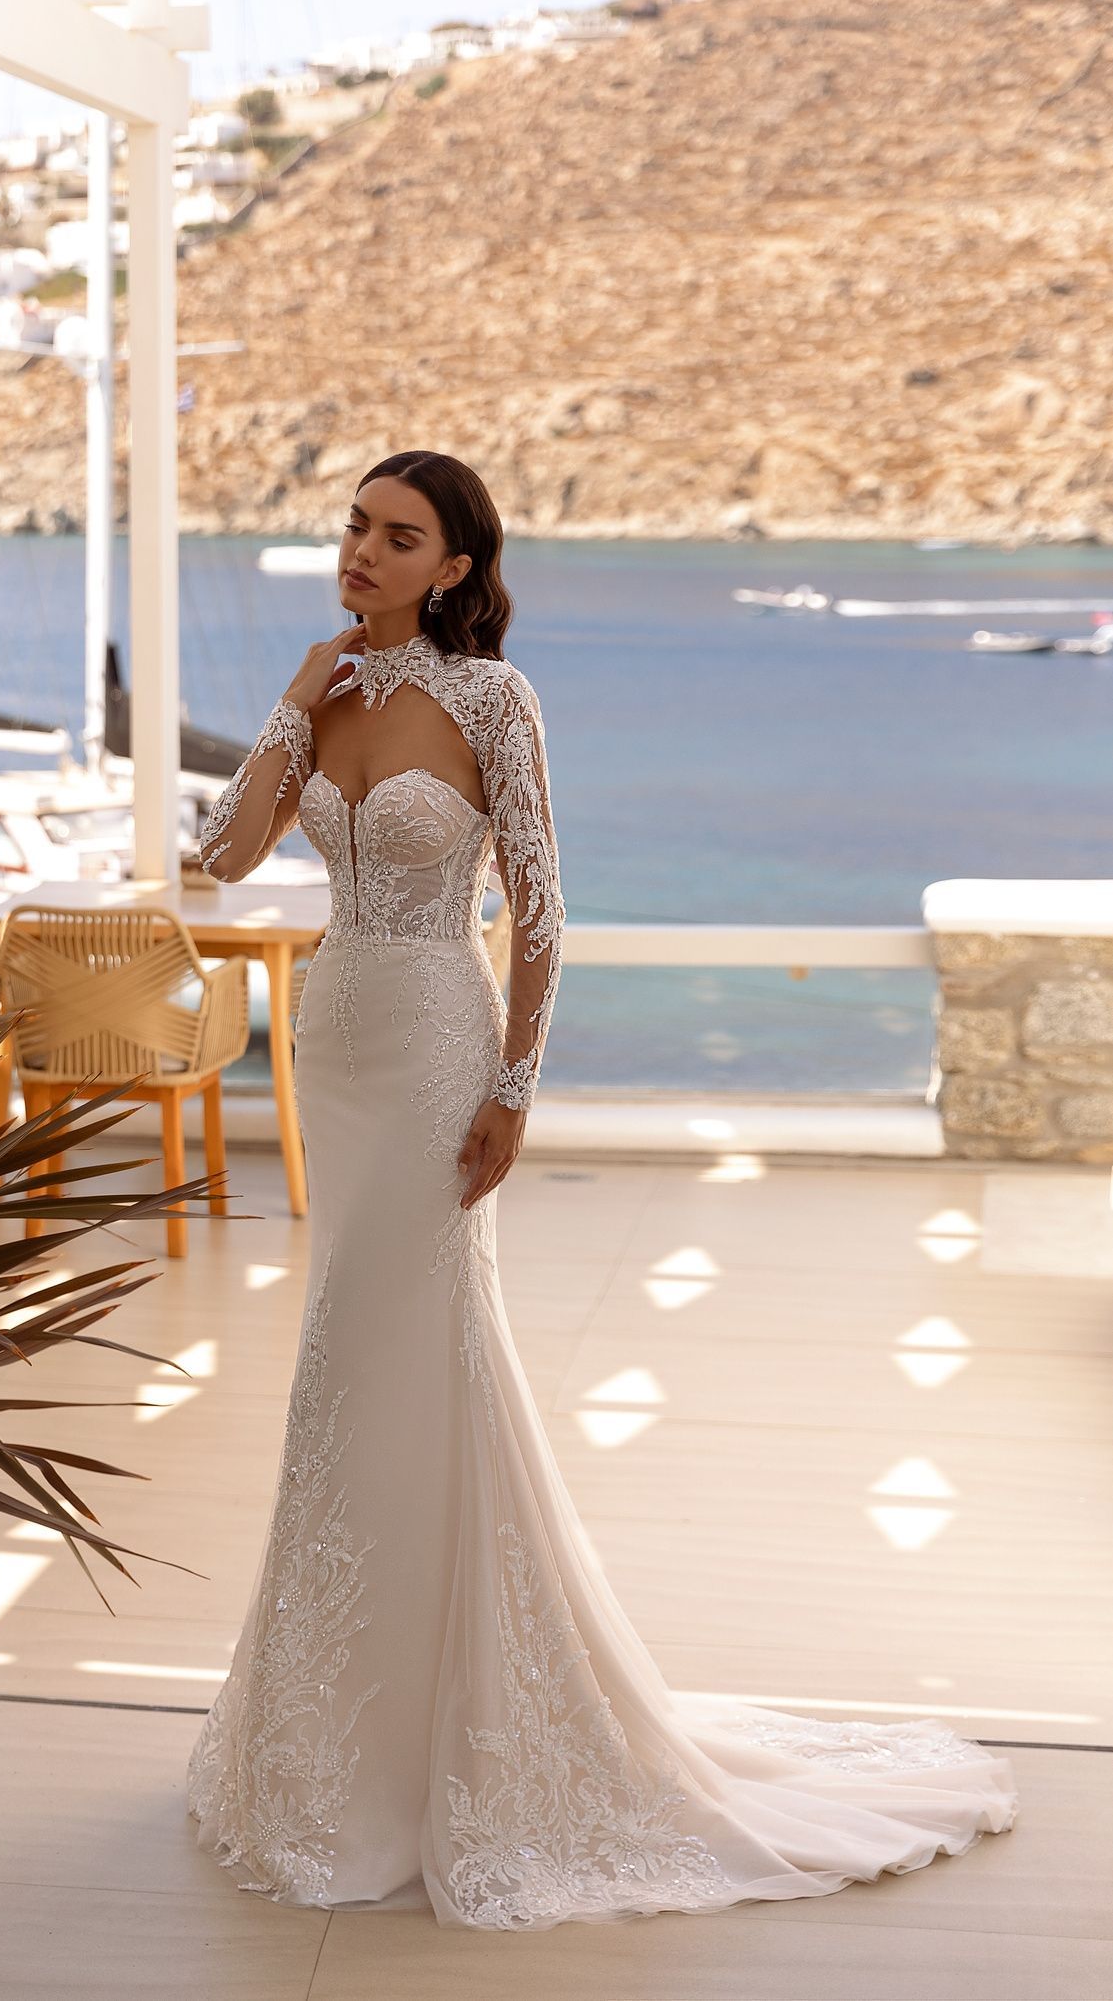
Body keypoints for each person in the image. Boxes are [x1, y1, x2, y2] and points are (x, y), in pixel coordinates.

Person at [185, 450, 1019, 1930]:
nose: (359, 553)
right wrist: (292, 701)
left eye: (395, 536)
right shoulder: (321, 694)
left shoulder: (495, 702)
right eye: (352, 528)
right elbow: (221, 859)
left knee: (407, 1359)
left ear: (452, 564)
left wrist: (515, 1088)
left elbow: (547, 907)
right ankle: (330, 1740)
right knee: (338, 1376)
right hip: (337, 1044)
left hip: (440, 1053)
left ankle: (467, 1737)